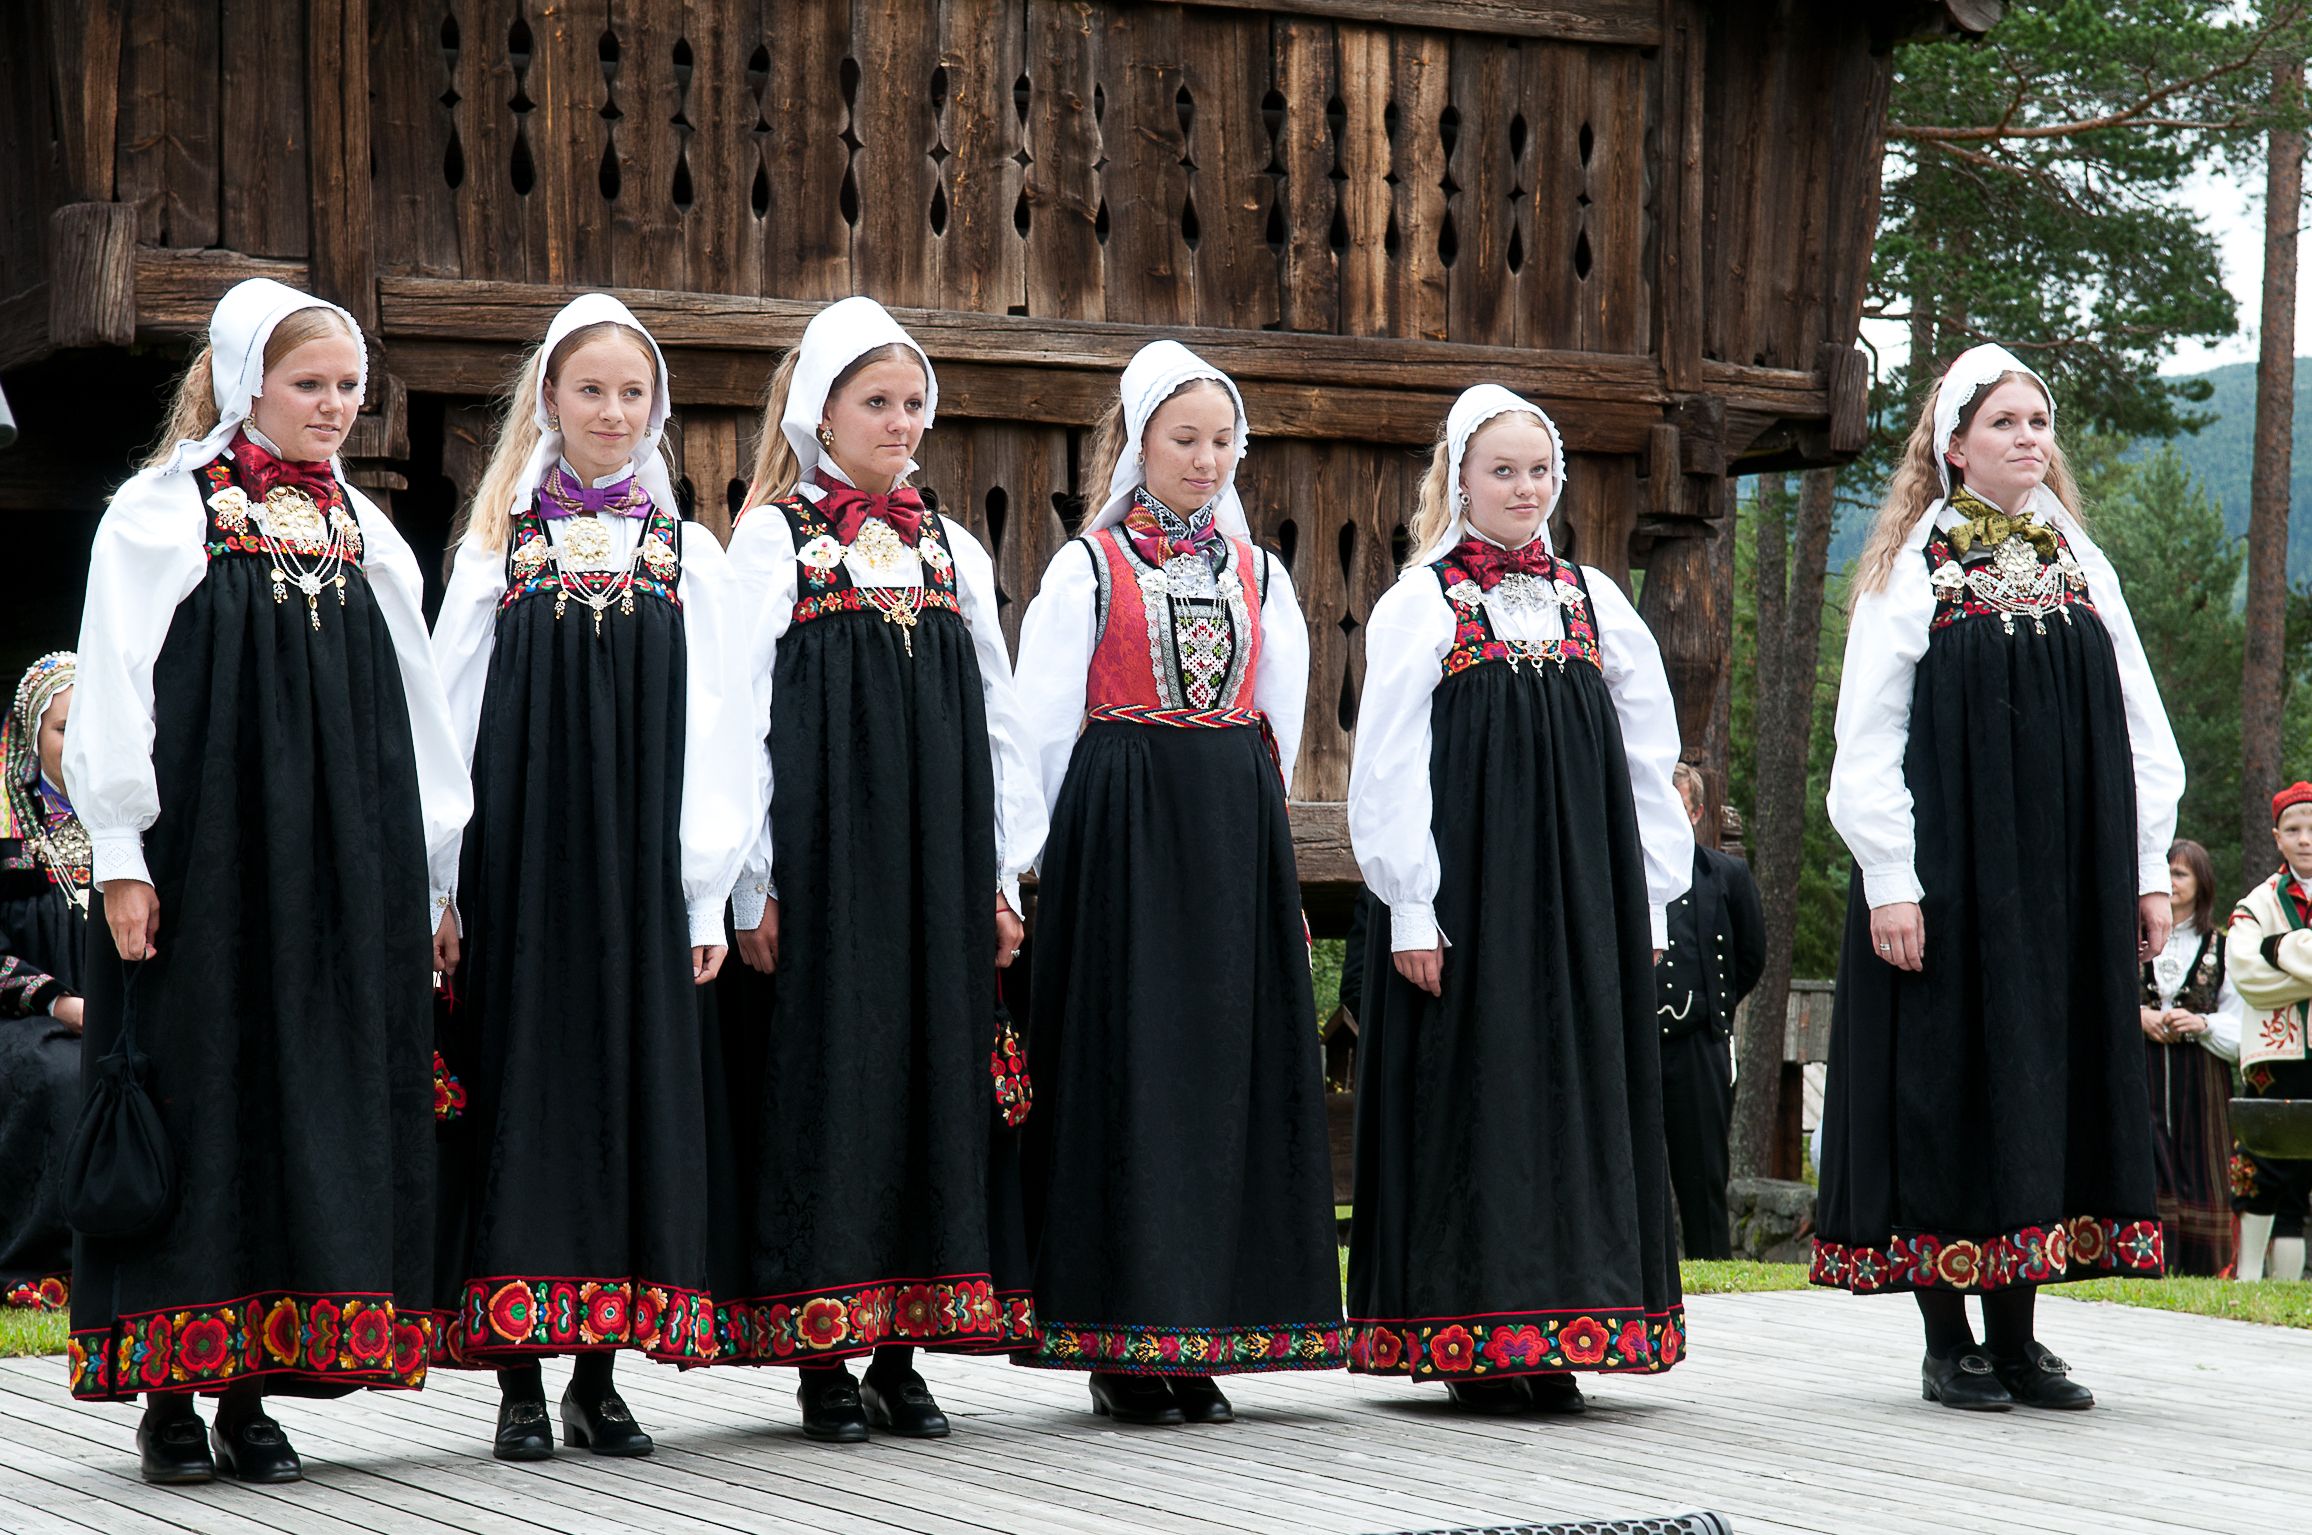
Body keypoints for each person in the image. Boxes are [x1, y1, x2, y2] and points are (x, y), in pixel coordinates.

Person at [65, 278, 469, 1481]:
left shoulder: (364, 528)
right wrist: (123, 857)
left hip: (340, 868)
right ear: (248, 381)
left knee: (305, 1101)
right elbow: (114, 687)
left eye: (349, 386)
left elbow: (422, 715)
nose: (335, 407)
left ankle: (253, 1388)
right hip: (209, 860)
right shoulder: (161, 510)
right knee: (207, 1091)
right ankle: (173, 1398)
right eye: (310, 384)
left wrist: (435, 873)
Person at [1813, 344, 2183, 1413]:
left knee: (2038, 1079)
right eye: (2005, 423)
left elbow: (2138, 722)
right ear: (1955, 446)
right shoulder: (1913, 567)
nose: (2028, 437)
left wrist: (2142, 868)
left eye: (2037, 421)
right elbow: (1865, 736)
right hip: (1952, 875)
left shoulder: (2078, 560)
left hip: (2061, 874)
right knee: (1947, 1082)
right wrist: (1891, 877)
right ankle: (1947, 1338)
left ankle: (2018, 1337)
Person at [427, 294, 753, 1459]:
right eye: (589, 390)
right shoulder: (492, 549)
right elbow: (447, 722)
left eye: (632, 393)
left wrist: (708, 888)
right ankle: (518, 1374)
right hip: (521, 873)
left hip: (638, 878)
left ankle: (600, 1374)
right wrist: (441, 889)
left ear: (655, 409)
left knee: (629, 1090)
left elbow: (721, 732)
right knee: (524, 1088)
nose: (613, 411)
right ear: (549, 402)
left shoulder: (689, 556)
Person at [717, 297, 1045, 1442]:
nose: (899, 422)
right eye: (876, 402)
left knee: (933, 1080)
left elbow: (998, 713)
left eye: (911, 402)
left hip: (939, 853)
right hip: (829, 857)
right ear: (821, 411)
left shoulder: (947, 544)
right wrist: (749, 875)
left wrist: (1002, 872)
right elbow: (735, 717)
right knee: (834, 1080)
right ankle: (821, 1352)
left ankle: (905, 1347)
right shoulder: (774, 538)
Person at [1010, 341, 1345, 1425]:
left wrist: (1262, 854)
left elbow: (1274, 723)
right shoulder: (1088, 567)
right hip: (1121, 841)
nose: (1206, 459)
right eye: (1184, 439)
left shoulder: (1259, 575)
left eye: (1221, 441)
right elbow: (1040, 731)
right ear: (1138, 442)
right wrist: (1048, 864)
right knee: (1131, 1076)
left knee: (1221, 1078)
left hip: (1227, 841)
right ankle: (1122, 1336)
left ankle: (1202, 1329)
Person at [1346, 384, 1692, 1415]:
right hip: (1472, 898)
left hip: (1580, 895)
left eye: (1537, 470)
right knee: (1481, 1093)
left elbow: (1647, 758)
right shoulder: (1424, 600)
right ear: (1457, 479)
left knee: (1573, 1096)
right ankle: (1473, 1336)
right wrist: (1411, 904)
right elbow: (1388, 765)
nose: (1523, 489)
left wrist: (1651, 900)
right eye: (1501, 470)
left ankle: (1567, 1324)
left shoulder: (1594, 599)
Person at [0, 652, 87, 1313]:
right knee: (62, 1074)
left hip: (114, 1010)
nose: (80, 742)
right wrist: (56, 999)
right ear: (33, 737)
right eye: (63, 728)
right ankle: (41, 1263)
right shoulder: (7, 828)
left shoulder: (133, 819)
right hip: (23, 1017)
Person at [1656, 763, 1765, 1261]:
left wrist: (1709, 1009)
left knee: (1702, 1173)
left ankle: (1711, 1268)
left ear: (1697, 813)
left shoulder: (1725, 875)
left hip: (1698, 1045)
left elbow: (1750, 957)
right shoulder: (1618, 873)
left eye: (1678, 810)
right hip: (1633, 1048)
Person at [2222, 784, 2312, 1285]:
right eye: (2294, 830)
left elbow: (2263, 966)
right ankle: (2249, 1276)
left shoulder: (2267, 920)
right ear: (2277, 837)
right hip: (2274, 1050)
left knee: (2304, 1173)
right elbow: (2247, 977)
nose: (2305, 839)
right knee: (2265, 1160)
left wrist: (2281, 948)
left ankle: (2290, 1285)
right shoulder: (2257, 903)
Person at [2139, 838, 2240, 1278]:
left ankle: (2202, 1267)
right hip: (2138, 1068)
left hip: (2200, 1074)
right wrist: (2137, 1016)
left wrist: (2202, 1024)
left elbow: (2242, 1023)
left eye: (2180, 873)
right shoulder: (2128, 938)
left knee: (2203, 1160)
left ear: (2202, 883)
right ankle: (2144, 1260)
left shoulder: (2225, 946)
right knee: (2142, 1157)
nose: (2170, 882)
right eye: (2163, 872)